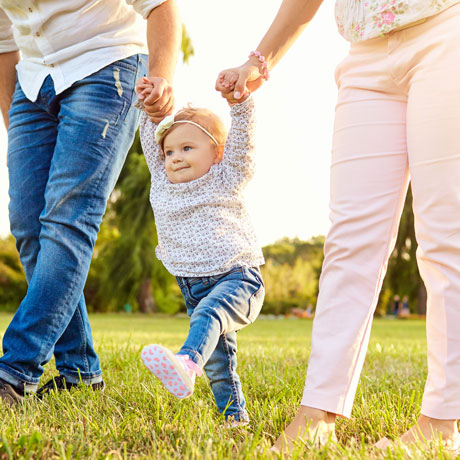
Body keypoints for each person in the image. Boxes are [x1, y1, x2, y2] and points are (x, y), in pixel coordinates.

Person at [216, 0, 460, 453]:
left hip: (447, 31)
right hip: (365, 52)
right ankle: (317, 413)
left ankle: (441, 425)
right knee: (349, 240)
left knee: (445, 238)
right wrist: (259, 60)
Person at [0, 0, 181, 405]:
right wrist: (18, 131)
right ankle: (81, 372)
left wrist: (162, 76)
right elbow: (3, 44)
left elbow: (160, 5)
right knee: (29, 227)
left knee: (68, 219)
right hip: (32, 83)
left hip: (105, 66)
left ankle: (15, 368)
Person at [137, 77, 265, 425]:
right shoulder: (163, 182)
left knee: (207, 316)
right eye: (170, 151)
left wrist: (240, 105)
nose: (176, 157)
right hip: (192, 285)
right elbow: (151, 138)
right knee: (221, 367)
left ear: (217, 152)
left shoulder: (227, 176)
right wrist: (149, 105)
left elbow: (244, 144)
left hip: (239, 280)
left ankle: (186, 362)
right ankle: (234, 419)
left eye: (188, 148)